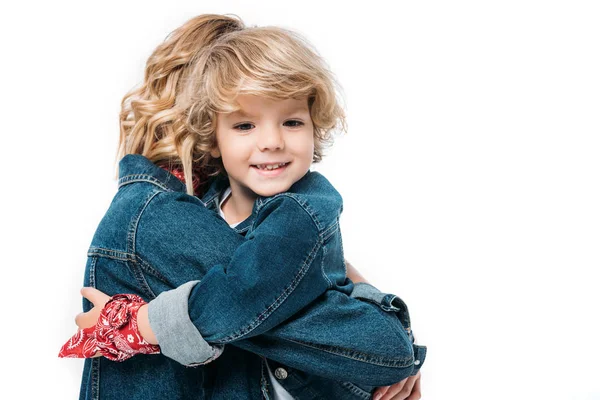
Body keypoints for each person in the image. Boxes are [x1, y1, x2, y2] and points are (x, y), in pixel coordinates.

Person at [59, 13, 426, 399]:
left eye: (292, 122)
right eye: (244, 125)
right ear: (208, 134)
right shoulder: (181, 212)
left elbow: (246, 292)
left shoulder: (302, 207)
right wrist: (381, 319)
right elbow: (283, 290)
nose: (271, 141)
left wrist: (139, 324)